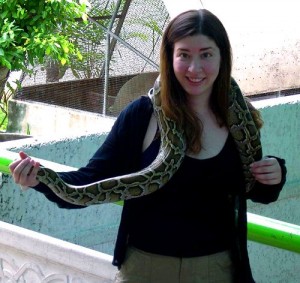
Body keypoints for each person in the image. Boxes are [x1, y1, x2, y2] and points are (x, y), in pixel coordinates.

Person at [9, 9, 286, 283]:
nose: (195, 68)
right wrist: (40, 177)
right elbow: (89, 183)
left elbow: (253, 189)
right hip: (146, 268)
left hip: (216, 269)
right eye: (184, 55)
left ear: (222, 56)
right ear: (170, 57)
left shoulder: (239, 118)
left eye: (206, 54)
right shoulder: (142, 115)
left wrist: (274, 174)